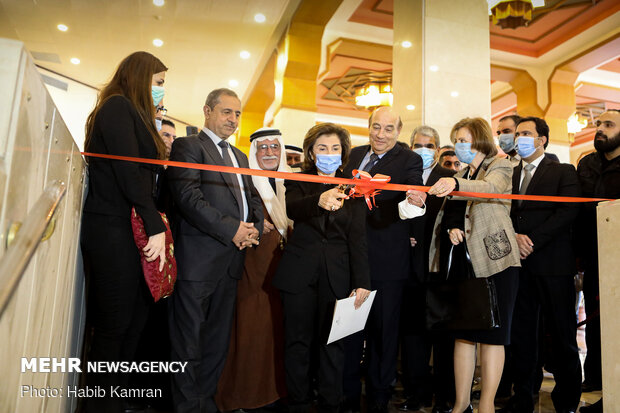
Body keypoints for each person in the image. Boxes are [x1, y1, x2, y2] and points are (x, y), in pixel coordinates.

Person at [80, 51, 169, 413]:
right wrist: (154, 226)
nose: (161, 91)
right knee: (113, 328)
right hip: (112, 229)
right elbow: (129, 174)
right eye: (159, 83)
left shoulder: (133, 113)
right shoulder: (117, 107)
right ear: (140, 77)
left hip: (127, 230)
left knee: (133, 325)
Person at [166, 88, 264, 413]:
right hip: (198, 263)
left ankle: (205, 404)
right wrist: (233, 228)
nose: (233, 120)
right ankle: (185, 407)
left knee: (216, 344)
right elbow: (189, 198)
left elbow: (251, 199)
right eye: (226, 112)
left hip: (232, 263)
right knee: (187, 343)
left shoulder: (241, 157)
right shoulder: (189, 146)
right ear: (207, 111)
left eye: (237, 114)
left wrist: (253, 229)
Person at [272, 122, 371, 413]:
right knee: (297, 343)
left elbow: (358, 240)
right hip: (299, 273)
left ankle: (330, 403)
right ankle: (299, 403)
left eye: (335, 148)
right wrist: (320, 199)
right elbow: (293, 208)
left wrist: (362, 280)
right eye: (322, 148)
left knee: (333, 345)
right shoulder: (297, 179)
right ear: (312, 154)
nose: (329, 153)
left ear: (343, 154)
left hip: (337, 275)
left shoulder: (354, 188)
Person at [428, 117, 521, 413]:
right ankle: (460, 404)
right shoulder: (464, 171)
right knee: (464, 334)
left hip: (497, 261)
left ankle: (487, 405)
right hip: (465, 266)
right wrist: (452, 227)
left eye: (464, 140)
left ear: (480, 139)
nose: (459, 146)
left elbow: (489, 189)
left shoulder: (501, 165)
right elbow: (454, 212)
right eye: (456, 140)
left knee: (494, 336)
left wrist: (455, 182)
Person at [342, 106, 424, 413]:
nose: (381, 134)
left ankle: (379, 396)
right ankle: (347, 395)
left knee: (383, 334)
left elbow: (414, 190)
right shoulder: (352, 155)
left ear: (398, 132)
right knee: (349, 329)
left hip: (387, 261)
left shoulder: (409, 159)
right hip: (348, 258)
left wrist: (416, 198)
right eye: (376, 127)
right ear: (368, 126)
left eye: (388, 129)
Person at [500, 117, 582, 413]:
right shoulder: (508, 172)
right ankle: (523, 396)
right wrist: (515, 237)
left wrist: (531, 240)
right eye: (517, 133)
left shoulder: (563, 170)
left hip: (553, 264)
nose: (519, 138)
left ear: (542, 139)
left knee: (561, 333)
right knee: (522, 335)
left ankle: (567, 400)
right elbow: (500, 210)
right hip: (518, 266)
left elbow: (568, 211)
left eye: (525, 134)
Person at [215, 128, 290, 411]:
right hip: (252, 268)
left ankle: (271, 393)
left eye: (275, 147)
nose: (270, 152)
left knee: (275, 332)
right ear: (254, 152)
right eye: (263, 148)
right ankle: (242, 396)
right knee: (249, 331)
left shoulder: (288, 181)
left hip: (281, 269)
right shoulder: (244, 180)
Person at [399, 126, 456, 413]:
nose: (424, 149)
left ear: (436, 149)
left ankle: (444, 397)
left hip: (438, 269)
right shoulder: (401, 175)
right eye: (418, 144)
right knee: (411, 337)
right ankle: (414, 394)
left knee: (443, 338)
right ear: (410, 147)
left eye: (429, 145)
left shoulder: (447, 180)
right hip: (407, 269)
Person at [577, 109, 620, 413]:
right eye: (598, 124)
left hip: (618, 254)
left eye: (608, 124)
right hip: (593, 255)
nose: (600, 129)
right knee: (594, 319)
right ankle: (593, 376)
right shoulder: (586, 163)